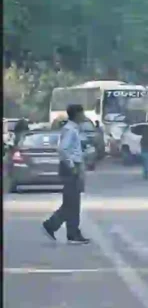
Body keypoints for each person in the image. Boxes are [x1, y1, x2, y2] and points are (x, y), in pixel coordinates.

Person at [42, 104, 90, 244]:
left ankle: (72, 232)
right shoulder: (70, 130)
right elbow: (63, 150)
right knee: (72, 202)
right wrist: (72, 166)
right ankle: (53, 225)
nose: (84, 116)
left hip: (74, 166)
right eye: (82, 113)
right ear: (76, 114)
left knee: (73, 202)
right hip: (71, 168)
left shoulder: (74, 129)